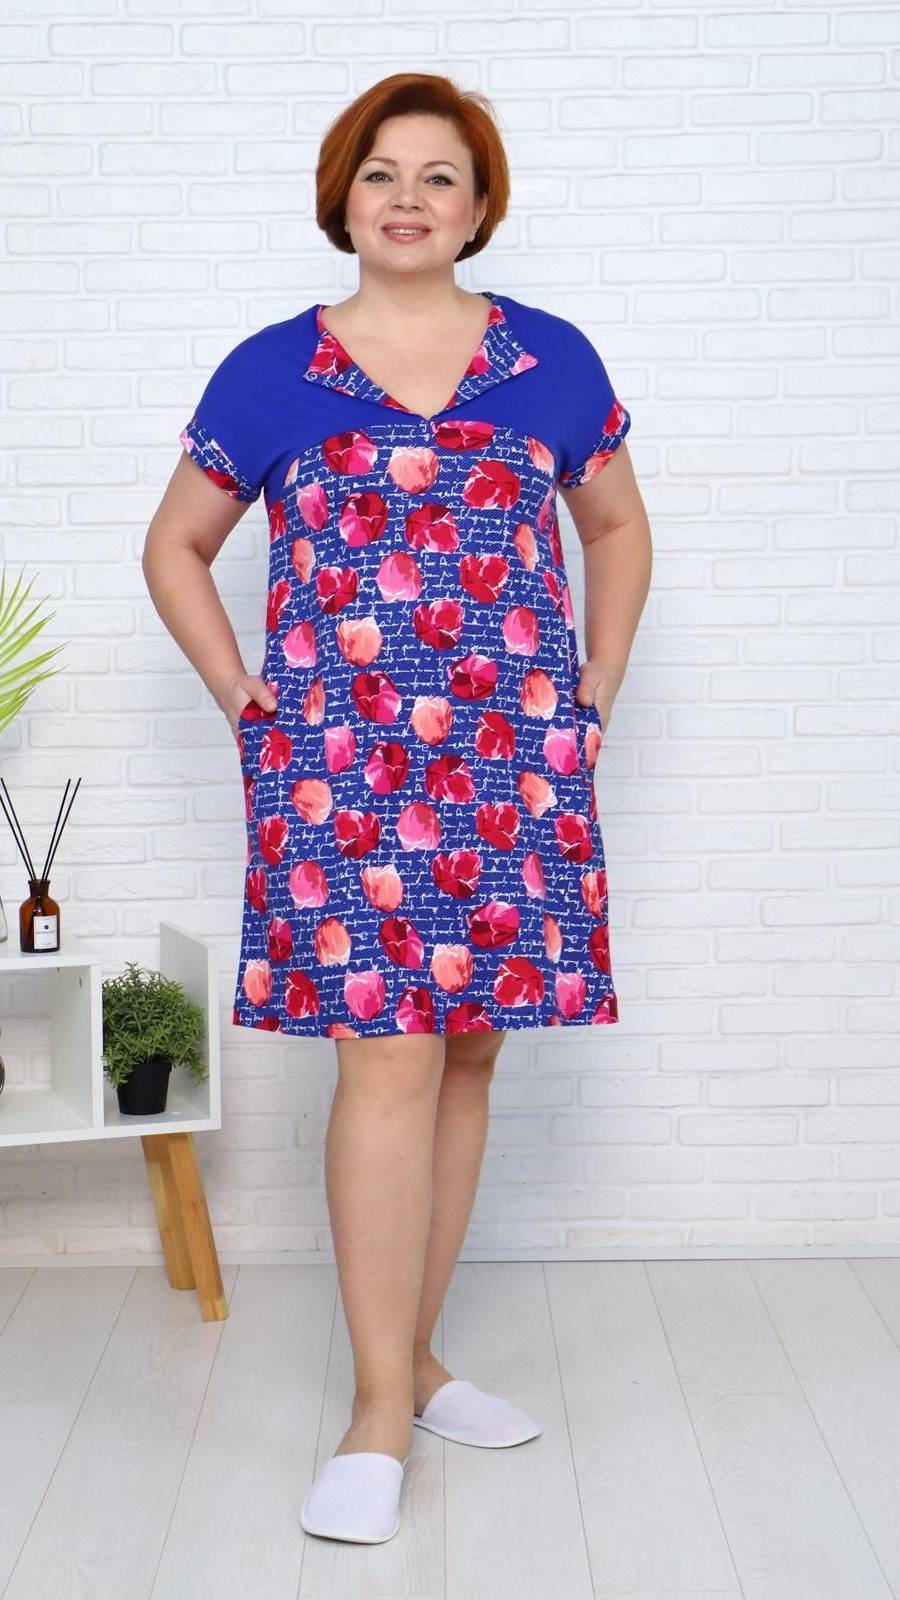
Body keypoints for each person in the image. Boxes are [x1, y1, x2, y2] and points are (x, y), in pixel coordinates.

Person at [142, 71, 652, 1544]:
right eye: (381, 174)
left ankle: (416, 1364)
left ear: (479, 208)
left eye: (439, 176)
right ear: (343, 200)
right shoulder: (273, 371)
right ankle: (374, 1412)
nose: (408, 198)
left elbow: (616, 524)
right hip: (341, 770)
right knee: (388, 1059)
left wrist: (595, 685)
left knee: (468, 1050)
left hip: (515, 765)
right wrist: (247, 702)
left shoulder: (549, 361)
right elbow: (176, 545)